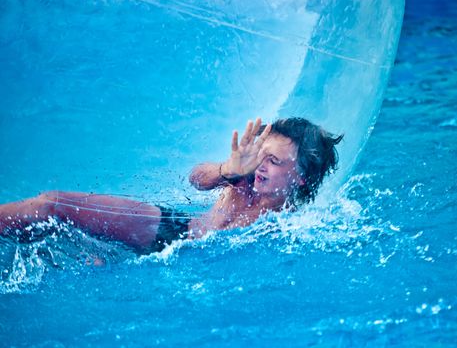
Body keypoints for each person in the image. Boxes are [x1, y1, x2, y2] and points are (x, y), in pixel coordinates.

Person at [0, 117, 343, 254]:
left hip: (184, 265)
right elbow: (198, 179)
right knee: (54, 205)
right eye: (261, 155)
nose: (261, 166)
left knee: (90, 260)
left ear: (300, 177)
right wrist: (228, 168)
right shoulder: (243, 177)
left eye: (274, 161)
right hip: (169, 230)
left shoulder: (293, 223)